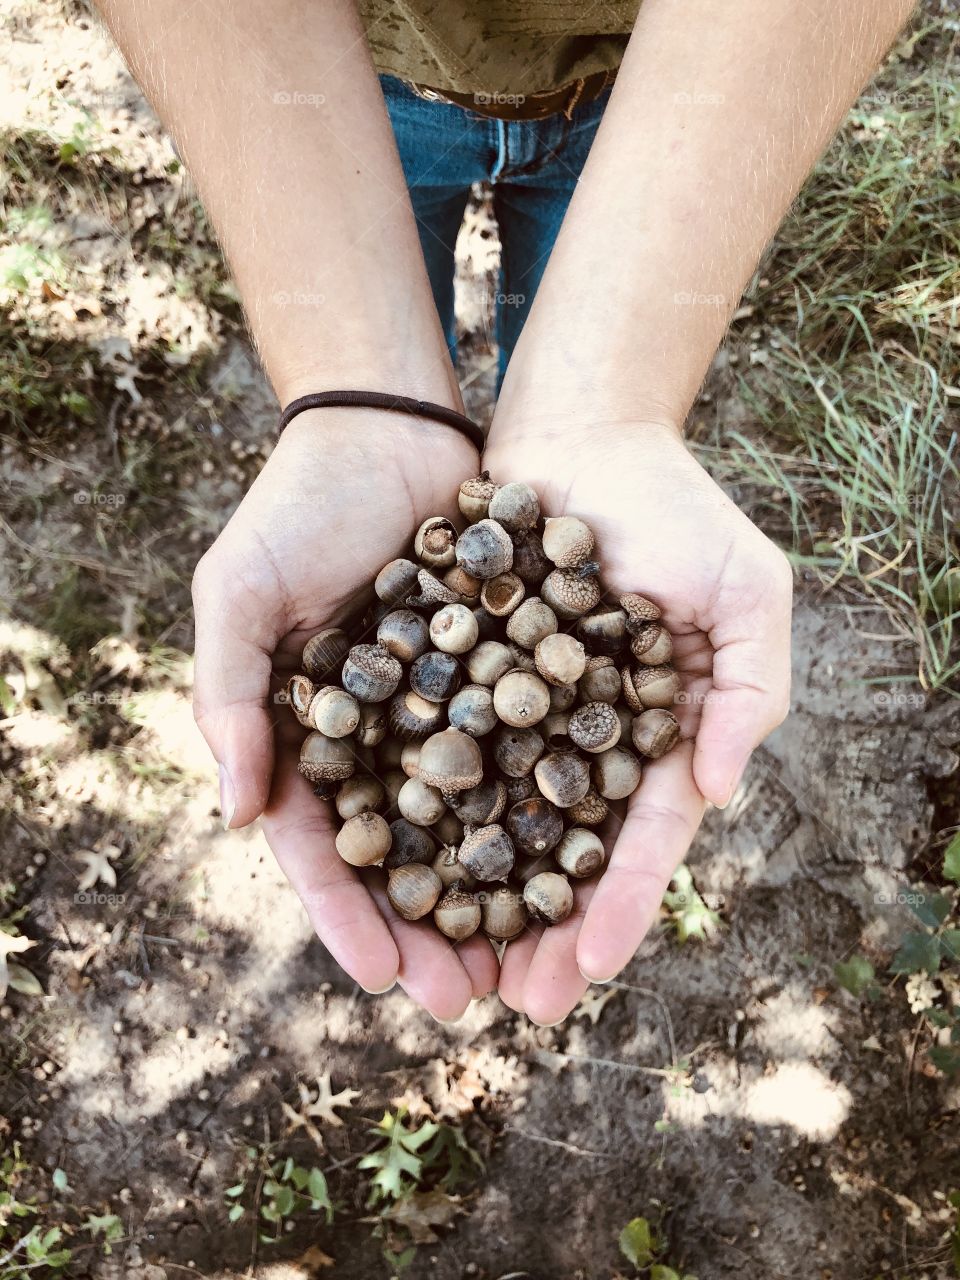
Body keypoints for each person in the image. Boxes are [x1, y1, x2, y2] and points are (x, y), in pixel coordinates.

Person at [94, 0, 913, 1025]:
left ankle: (554, 403)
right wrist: (356, 385)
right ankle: (442, 388)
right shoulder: (465, 678)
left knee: (557, 361)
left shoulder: (522, 665)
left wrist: (612, 402)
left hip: (661, 83)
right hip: (350, 75)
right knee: (417, 333)